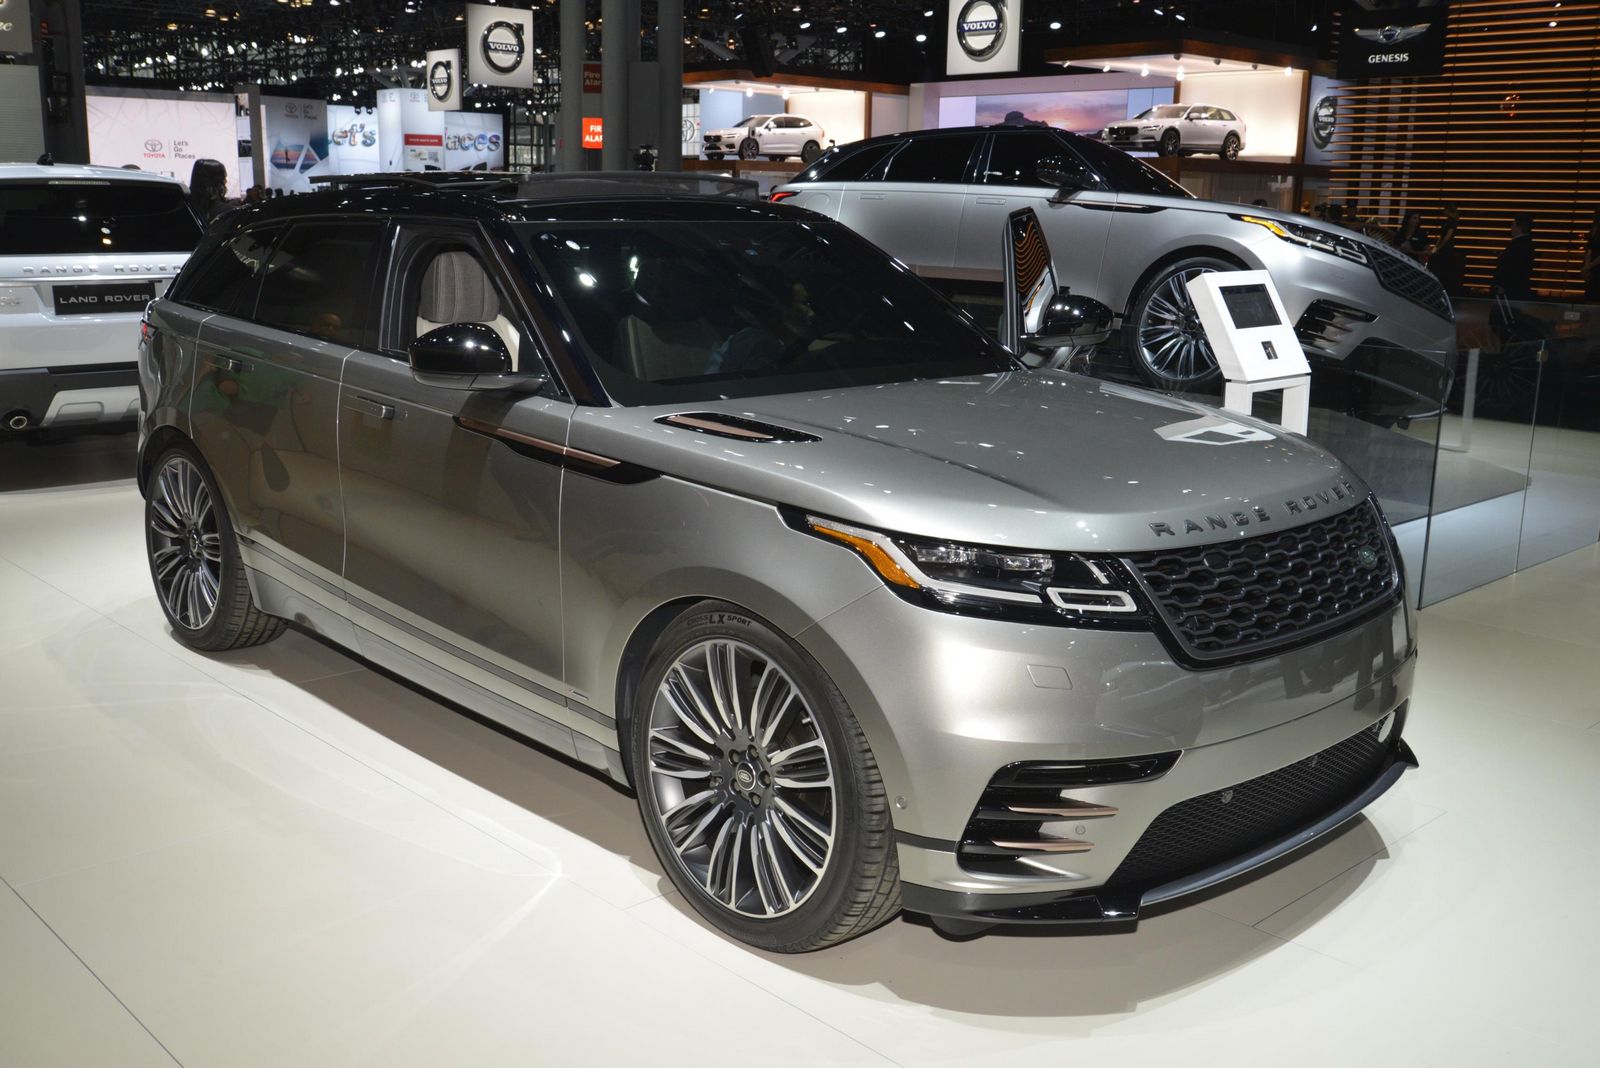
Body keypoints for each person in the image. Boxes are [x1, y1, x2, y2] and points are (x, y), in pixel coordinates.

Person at [1493, 214, 1536, 302]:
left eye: (1513, 225)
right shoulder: (1526, 243)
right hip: (1518, 289)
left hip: (1511, 290)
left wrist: (1502, 285)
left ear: (1519, 227)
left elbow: (1512, 267)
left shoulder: (1518, 244)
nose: (1511, 227)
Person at [1430, 204, 1465, 297]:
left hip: (1447, 249)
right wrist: (1436, 246)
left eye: (1445, 210)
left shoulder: (1452, 222)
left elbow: (1447, 237)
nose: (1443, 211)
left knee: (1443, 268)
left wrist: (1438, 247)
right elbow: (1442, 236)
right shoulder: (1447, 222)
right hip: (1443, 248)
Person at [1582, 213, 1600, 303]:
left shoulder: (1595, 230)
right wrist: (1587, 266)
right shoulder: (1594, 230)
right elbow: (1589, 249)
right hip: (1593, 268)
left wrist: (1587, 266)